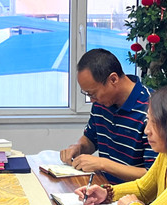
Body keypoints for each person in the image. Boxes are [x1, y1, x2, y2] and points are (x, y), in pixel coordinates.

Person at [60, 48, 156, 183]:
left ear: (113, 79)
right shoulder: (101, 103)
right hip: (103, 188)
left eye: (93, 94)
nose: (92, 100)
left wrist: (103, 164)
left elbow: (153, 175)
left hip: (133, 194)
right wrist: (78, 147)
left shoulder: (152, 109)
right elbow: (91, 139)